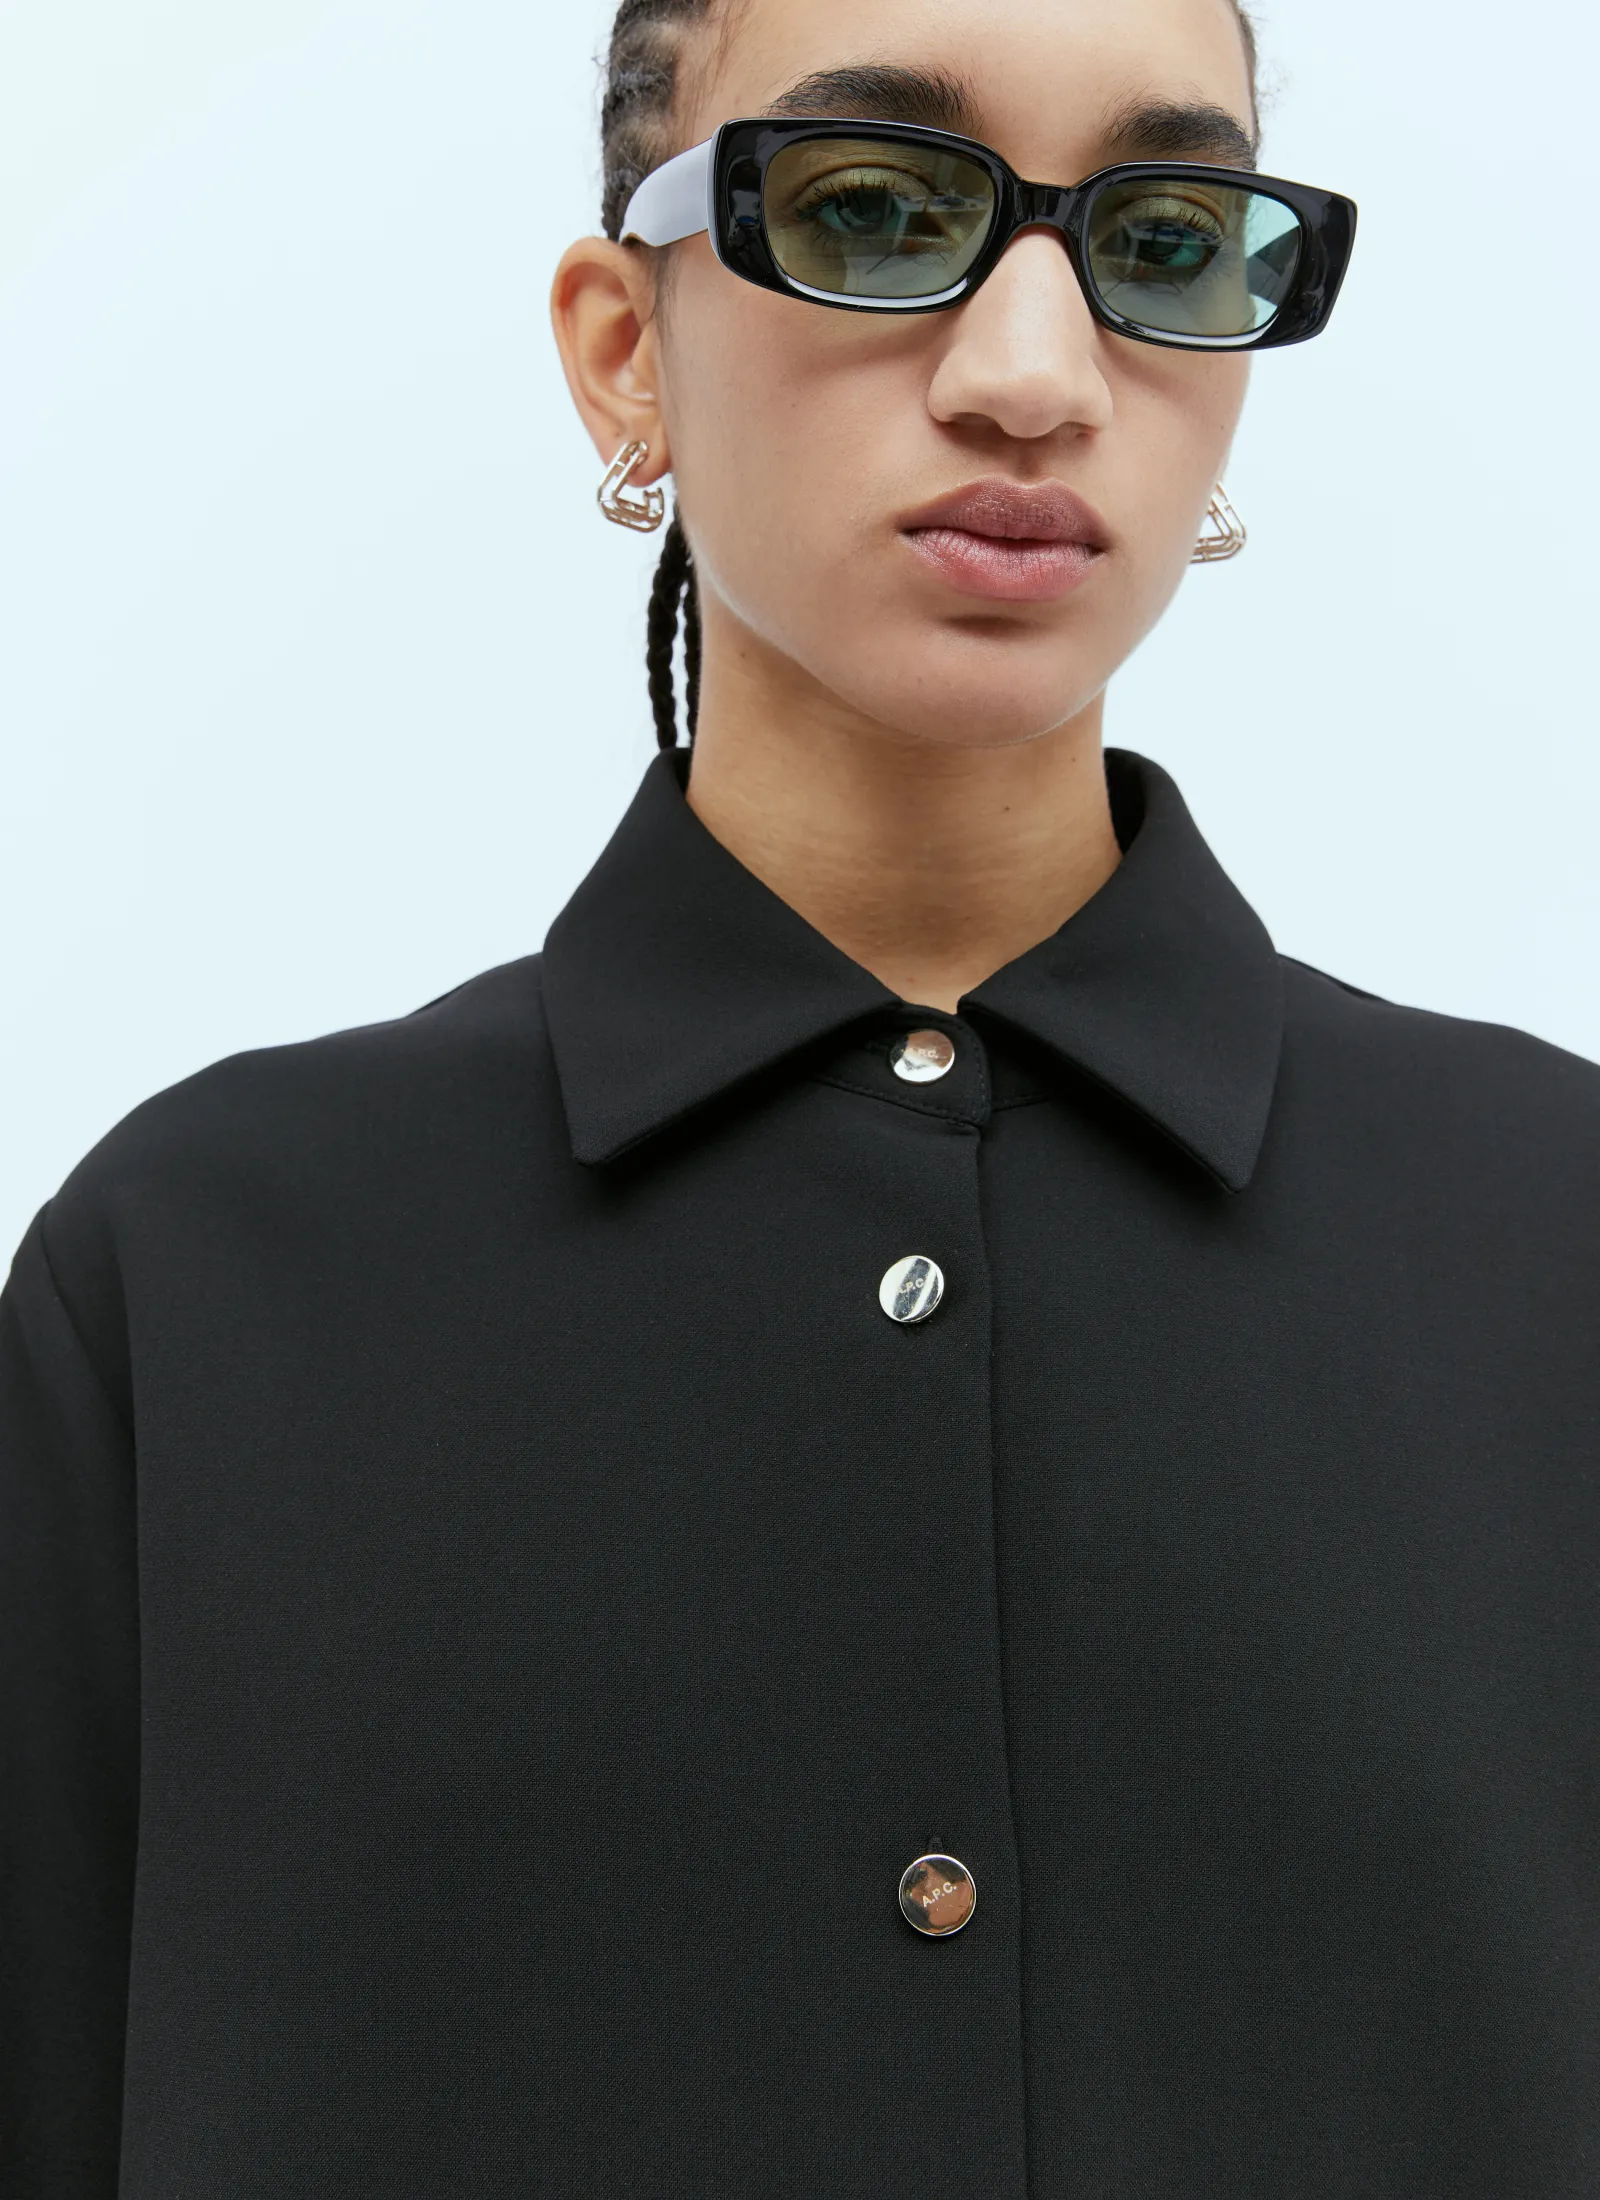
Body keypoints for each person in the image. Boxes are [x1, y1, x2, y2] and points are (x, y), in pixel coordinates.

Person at [3, 0, 1596, 2192]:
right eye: (871, 211)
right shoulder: (193, 1284)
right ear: (621, 351)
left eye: (1159, 241)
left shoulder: (1555, 1256)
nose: (1033, 374)